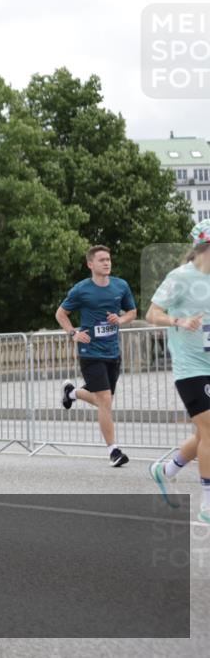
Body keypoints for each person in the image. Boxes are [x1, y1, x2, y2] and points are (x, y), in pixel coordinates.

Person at [146, 220, 210, 524]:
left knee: (203, 433)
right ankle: (207, 504)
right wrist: (179, 321)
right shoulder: (180, 278)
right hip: (191, 367)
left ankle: (167, 470)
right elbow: (152, 313)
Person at [56, 245, 137, 467]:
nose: (106, 263)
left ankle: (72, 393)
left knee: (105, 401)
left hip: (113, 352)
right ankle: (114, 451)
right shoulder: (82, 289)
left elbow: (132, 312)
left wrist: (121, 320)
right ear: (90, 264)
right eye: (101, 260)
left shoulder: (121, 285)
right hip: (90, 352)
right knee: (105, 401)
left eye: (108, 259)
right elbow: (61, 313)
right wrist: (73, 333)